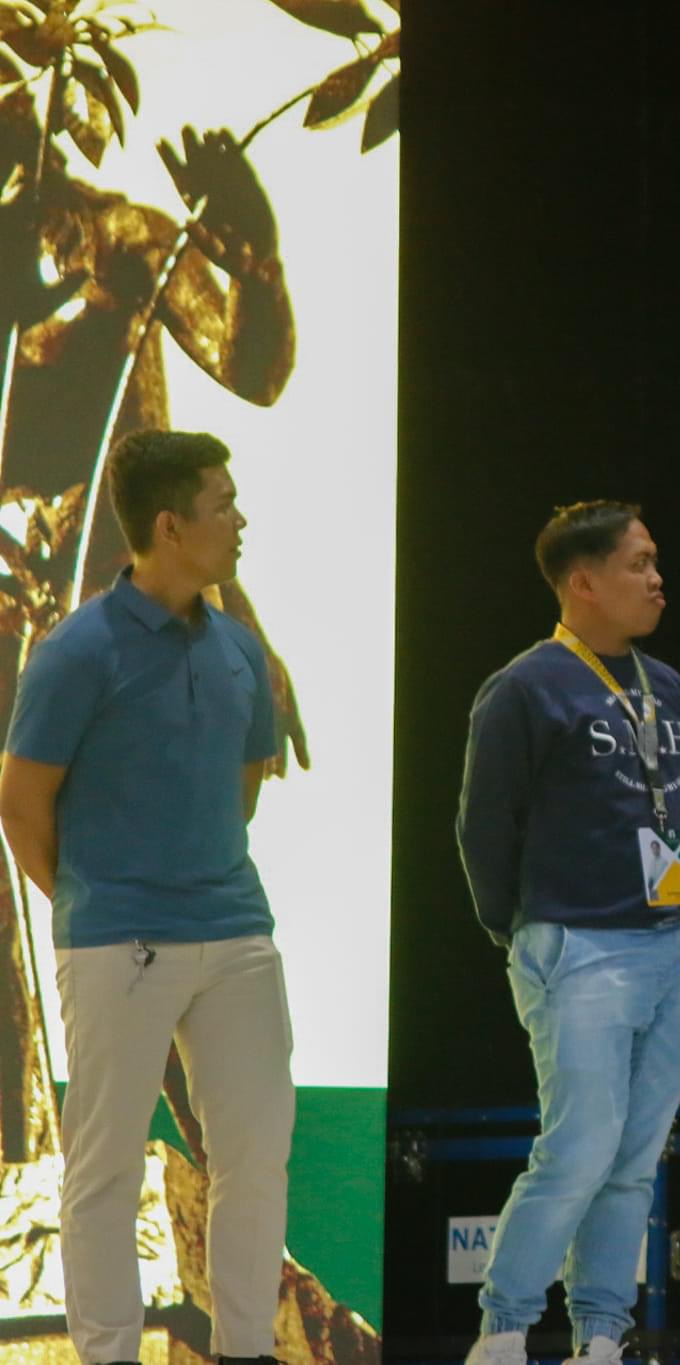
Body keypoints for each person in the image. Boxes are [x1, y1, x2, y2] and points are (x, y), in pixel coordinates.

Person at [0, 429, 291, 1365]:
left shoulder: (240, 648)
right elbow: (21, 801)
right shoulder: (77, 650)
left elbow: (244, 783)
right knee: (105, 1167)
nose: (239, 520)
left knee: (255, 1156)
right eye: (222, 504)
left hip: (236, 932)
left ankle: (246, 1350)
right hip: (118, 941)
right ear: (170, 526)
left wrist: (193, 873)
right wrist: (94, 899)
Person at [456, 501, 680, 1365]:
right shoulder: (526, 688)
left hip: (675, 941)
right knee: (579, 1146)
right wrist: (521, 930)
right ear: (583, 581)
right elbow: (482, 826)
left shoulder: (669, 687)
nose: (657, 579)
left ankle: (601, 1334)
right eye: (639, 563)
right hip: (579, 942)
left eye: (655, 560)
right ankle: (504, 1326)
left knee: (635, 1155)